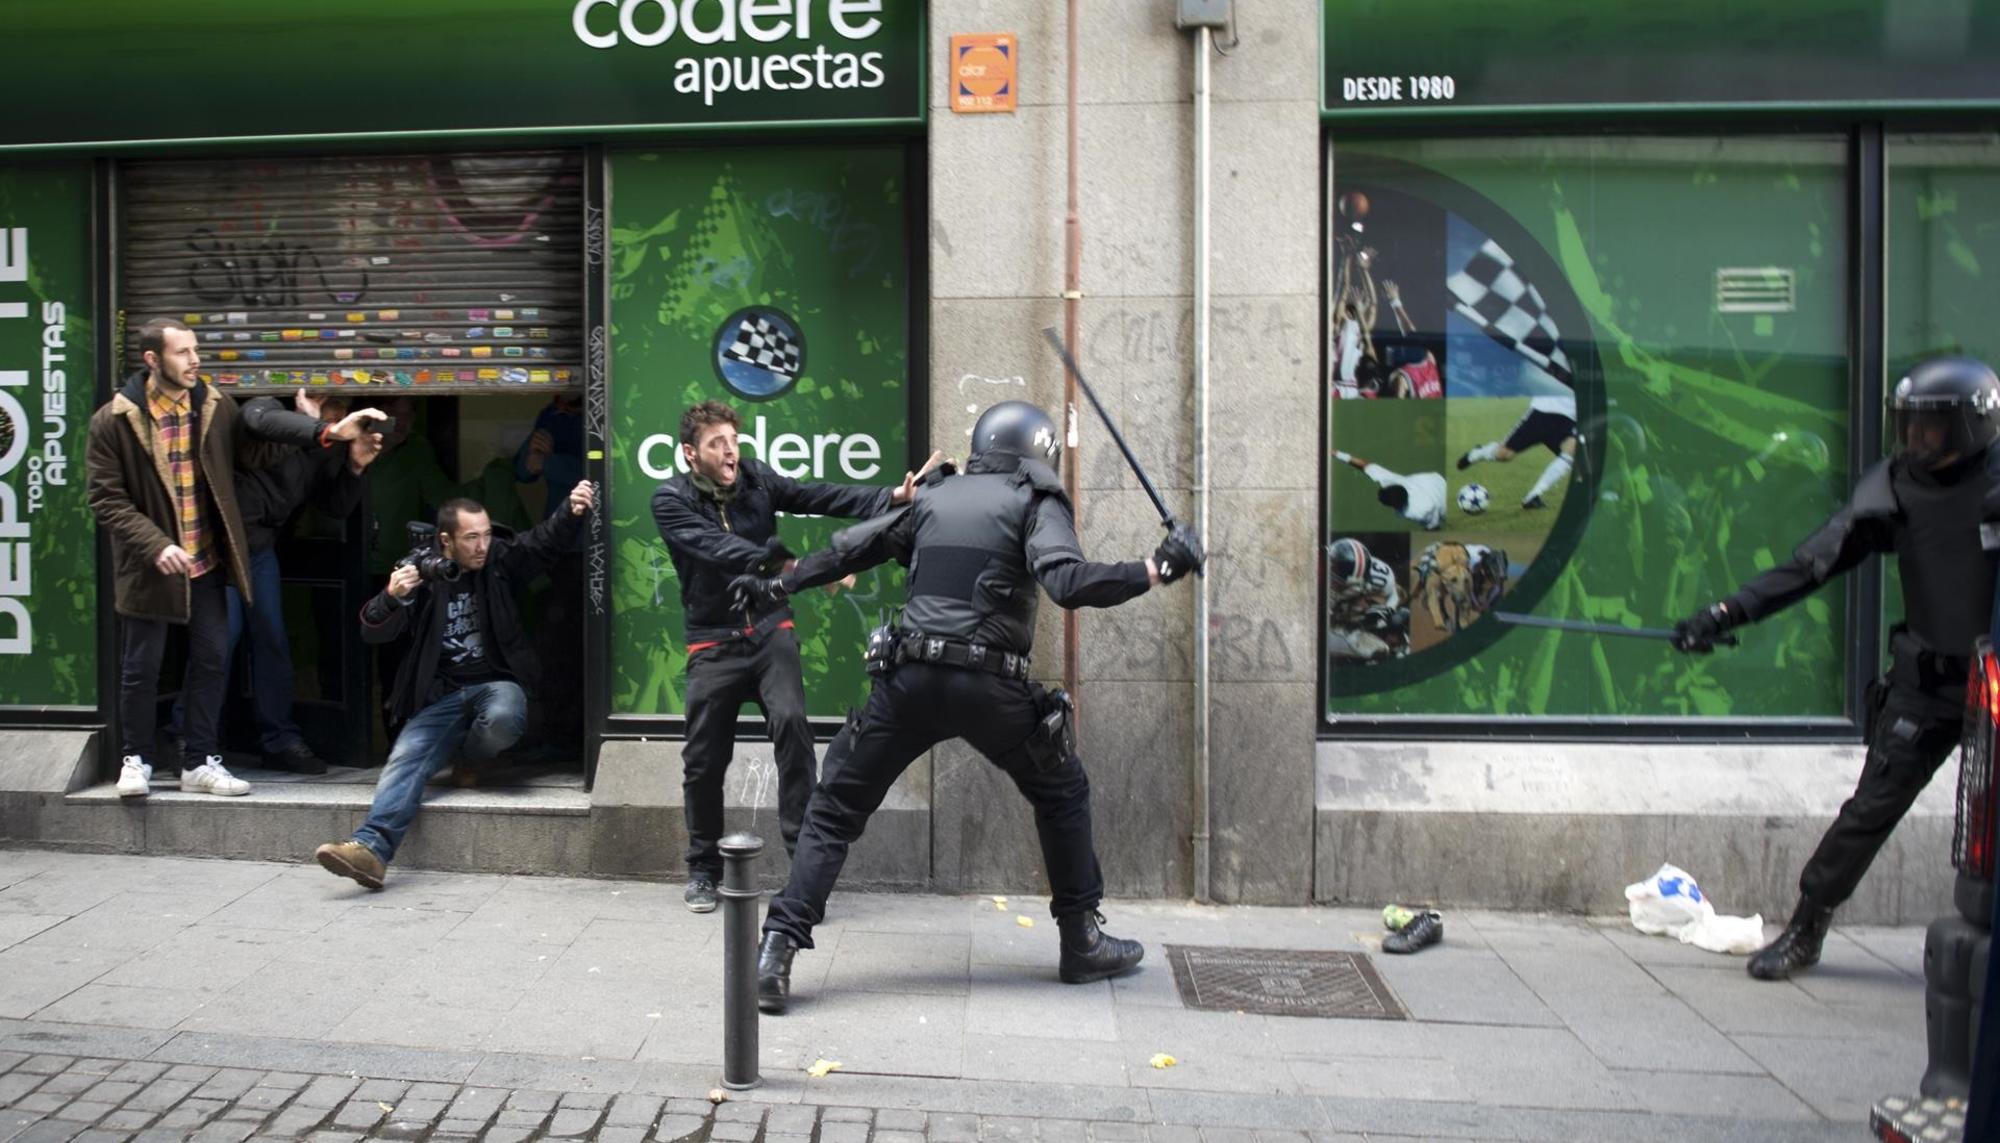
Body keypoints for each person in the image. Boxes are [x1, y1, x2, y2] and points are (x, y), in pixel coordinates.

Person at [738, 400, 1206, 1013]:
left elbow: (855, 547)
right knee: (1060, 793)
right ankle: (1081, 938)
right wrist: (1158, 566)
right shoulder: (1037, 502)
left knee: (833, 812)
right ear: (1038, 451)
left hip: (908, 680)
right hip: (989, 689)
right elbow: (1066, 582)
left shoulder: (935, 497)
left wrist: (780, 583)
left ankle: (776, 952)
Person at [1672, 355, 2000, 981]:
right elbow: (1810, 565)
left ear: (1971, 425)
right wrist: (1723, 613)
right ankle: (1806, 927)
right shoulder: (1898, 487)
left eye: (1930, 429)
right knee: (1869, 809)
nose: (1915, 441)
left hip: (1995, 686)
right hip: (1928, 683)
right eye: (1908, 427)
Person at [651, 400, 936, 914]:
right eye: (717, 443)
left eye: (733, 440)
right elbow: (717, 547)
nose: (730, 450)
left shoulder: (756, 479)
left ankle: (803, 874)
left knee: (792, 729)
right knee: (703, 760)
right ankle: (702, 869)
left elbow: (816, 494)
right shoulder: (670, 500)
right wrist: (790, 562)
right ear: (691, 454)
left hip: (768, 626)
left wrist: (890, 496)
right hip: (711, 640)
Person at [87, 318, 379, 798]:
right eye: (183, 352)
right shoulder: (114, 421)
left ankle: (198, 762)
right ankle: (135, 759)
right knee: (142, 664)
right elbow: (106, 499)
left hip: (211, 558)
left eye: (195, 350)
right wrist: (155, 542)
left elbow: (257, 455)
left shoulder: (213, 407)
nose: (195, 360)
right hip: (151, 562)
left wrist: (327, 439)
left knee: (212, 659)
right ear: (152, 360)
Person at [312, 481, 594, 889]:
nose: (482, 545)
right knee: (405, 758)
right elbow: (372, 631)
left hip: (496, 684)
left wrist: (571, 510)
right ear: (445, 541)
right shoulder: (423, 573)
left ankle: (469, 759)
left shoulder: (497, 559)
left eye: (486, 535)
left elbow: (541, 544)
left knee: (500, 717)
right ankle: (370, 850)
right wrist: (392, 597)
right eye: (471, 538)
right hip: (440, 696)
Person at [203, 393, 383, 773]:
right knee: (222, 641)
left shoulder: (328, 446)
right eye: (333, 408)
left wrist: (354, 467)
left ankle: (279, 740)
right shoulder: (269, 408)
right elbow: (255, 423)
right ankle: (192, 739)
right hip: (224, 546)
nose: (340, 418)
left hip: (261, 549)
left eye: (342, 410)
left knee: (272, 641)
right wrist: (318, 426)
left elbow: (332, 506)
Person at [1455, 393, 1580, 510]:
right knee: (1504, 455)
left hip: (1570, 419)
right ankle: (1478, 453)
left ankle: (1533, 496)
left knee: (1573, 454)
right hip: (1543, 412)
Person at [1327, 537, 1409, 662]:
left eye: (1336, 569)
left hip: (1359, 624)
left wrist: (1387, 609)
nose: (1332, 572)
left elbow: (1398, 594)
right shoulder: (1323, 588)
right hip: (1335, 627)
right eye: (1332, 566)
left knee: (1399, 619)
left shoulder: (1380, 578)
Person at [1333, 449, 1446, 530]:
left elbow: (1433, 526)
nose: (1378, 499)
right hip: (1438, 480)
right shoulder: (1391, 480)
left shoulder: (1415, 512)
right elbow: (1365, 465)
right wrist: (1336, 453)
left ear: (1396, 506)